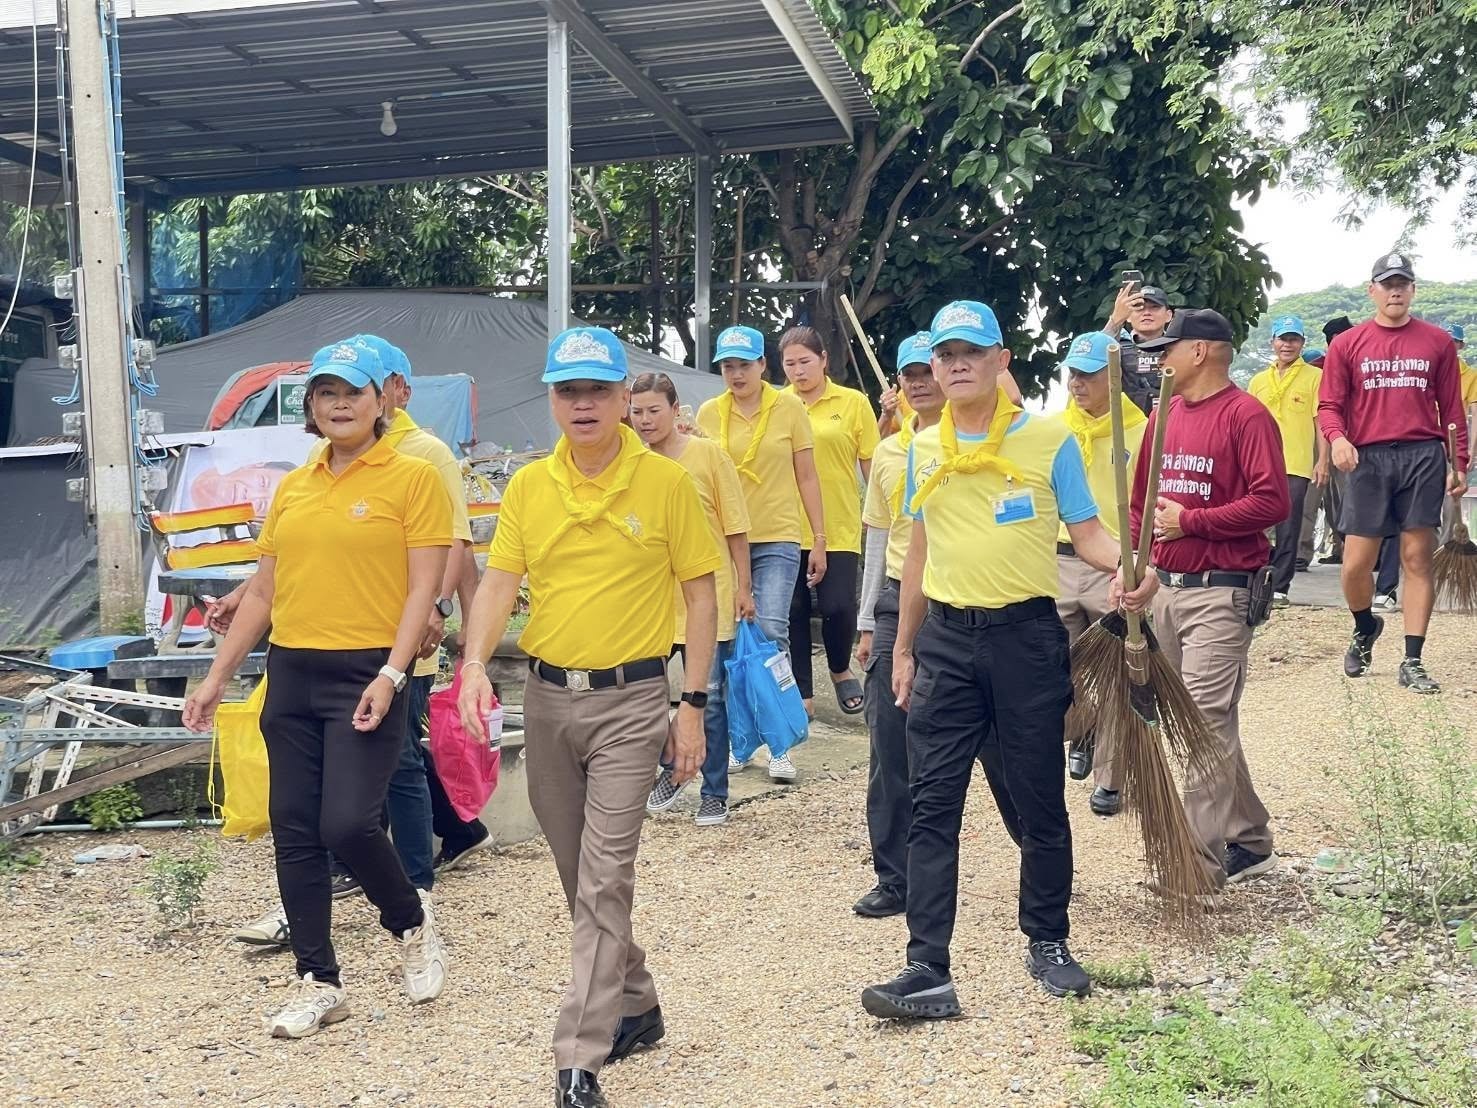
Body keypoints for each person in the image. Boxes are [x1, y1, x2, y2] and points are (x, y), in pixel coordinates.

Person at [862, 300, 1155, 1019]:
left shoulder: (1047, 439)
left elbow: (1088, 533)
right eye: (945, 354)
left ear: (1001, 362)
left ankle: (1048, 939)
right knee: (932, 805)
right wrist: (904, 648)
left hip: (1025, 639)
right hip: (945, 643)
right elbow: (919, 549)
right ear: (933, 368)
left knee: (1037, 798)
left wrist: (1133, 571)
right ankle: (926, 967)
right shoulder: (922, 447)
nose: (957, 364)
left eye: (972, 352)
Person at [457, 327, 719, 1108]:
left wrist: (691, 705)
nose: (582, 404)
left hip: (632, 704)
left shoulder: (666, 484)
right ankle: (636, 999)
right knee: (580, 876)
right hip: (546, 702)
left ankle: (578, 1058)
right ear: (552, 399)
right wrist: (472, 664)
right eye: (568, 391)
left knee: (605, 879)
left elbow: (700, 595)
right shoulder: (531, 486)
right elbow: (499, 581)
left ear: (622, 399)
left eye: (597, 390)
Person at [182, 340, 452, 1038]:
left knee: (349, 825)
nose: (339, 404)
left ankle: (410, 921)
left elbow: (423, 588)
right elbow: (264, 592)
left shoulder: (413, 477)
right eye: (325, 392)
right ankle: (319, 982)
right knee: (295, 832)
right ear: (310, 405)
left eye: (352, 392)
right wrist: (216, 678)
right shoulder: (295, 485)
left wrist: (393, 673)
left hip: (368, 672)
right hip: (293, 672)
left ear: (379, 401)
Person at [1126, 309, 1291, 897]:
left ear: (1199, 351)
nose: (1157, 359)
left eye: (1167, 349)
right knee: (1202, 720)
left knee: (1204, 721)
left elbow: (1273, 503)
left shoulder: (1247, 415)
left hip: (1223, 591)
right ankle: (1250, 837)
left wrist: (1192, 521)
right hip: (1167, 591)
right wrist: (1134, 564)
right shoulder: (1162, 415)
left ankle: (1196, 867)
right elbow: (1140, 502)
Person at [1318, 254, 1469, 693]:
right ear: (1373, 291)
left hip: (1422, 455)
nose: (1396, 291)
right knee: (1355, 565)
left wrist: (1459, 463)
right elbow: (1329, 404)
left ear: (1413, 290)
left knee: (1417, 557)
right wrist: (1337, 438)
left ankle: (1413, 659)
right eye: (1388, 284)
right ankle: (1365, 625)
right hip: (1368, 458)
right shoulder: (1349, 344)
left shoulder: (1437, 342)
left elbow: (1452, 410)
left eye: (1403, 283)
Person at [696, 325, 826, 783]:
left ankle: (780, 743)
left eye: (744, 365)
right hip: (723, 539)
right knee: (730, 639)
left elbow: (806, 475)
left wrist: (819, 538)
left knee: (770, 631)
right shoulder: (709, 413)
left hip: (777, 535)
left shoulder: (789, 407)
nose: (736, 374)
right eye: (728, 366)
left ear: (762, 365)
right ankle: (740, 739)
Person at [631, 371, 753, 827]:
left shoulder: (707, 454)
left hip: (707, 596)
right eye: (637, 412)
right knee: (643, 695)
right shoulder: (632, 462)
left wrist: (744, 586)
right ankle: (672, 767)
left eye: (653, 410)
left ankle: (714, 791)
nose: (645, 420)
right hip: (652, 602)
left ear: (674, 408)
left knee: (709, 698)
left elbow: (735, 525)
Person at [852, 332, 945, 918]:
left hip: (960, 600)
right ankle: (895, 878)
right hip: (893, 602)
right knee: (889, 740)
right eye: (909, 374)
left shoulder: (976, 442)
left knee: (998, 748)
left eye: (926, 371)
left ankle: (1037, 859)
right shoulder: (889, 452)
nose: (918, 383)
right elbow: (878, 539)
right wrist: (867, 623)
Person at [1053, 331, 1148, 818]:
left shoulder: (1142, 431)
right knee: (1058, 669)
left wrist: (1133, 568)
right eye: (1073, 374)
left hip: (1112, 565)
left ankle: (1110, 778)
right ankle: (1083, 727)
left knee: (1114, 673)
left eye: (1088, 375)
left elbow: (1148, 507)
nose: (1077, 383)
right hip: (1056, 561)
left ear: (1114, 379)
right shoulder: (1052, 431)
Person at [779, 325, 881, 717]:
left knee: (838, 606)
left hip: (837, 524)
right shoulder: (776, 405)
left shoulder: (853, 403)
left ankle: (839, 668)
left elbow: (872, 464)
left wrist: (881, 511)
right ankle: (801, 691)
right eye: (790, 364)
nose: (798, 371)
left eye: (805, 361)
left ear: (823, 359)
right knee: (792, 609)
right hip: (785, 524)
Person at [1248, 316, 1330, 606]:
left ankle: (1280, 585)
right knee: (1253, 523)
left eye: (1294, 339)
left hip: (1296, 463)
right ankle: (1253, 577)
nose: (1288, 345)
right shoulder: (1258, 381)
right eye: (1283, 339)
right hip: (1258, 463)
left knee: (1289, 525)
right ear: (1272, 342)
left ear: (1302, 343)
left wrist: (1323, 460)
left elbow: (1321, 420)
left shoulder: (1315, 377)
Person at [1103, 280, 1174, 415]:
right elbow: (1092, 359)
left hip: (1173, 421)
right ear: (1128, 316)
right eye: (1139, 308)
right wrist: (1116, 319)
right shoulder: (1115, 347)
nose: (1146, 312)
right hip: (1127, 423)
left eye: (1154, 307)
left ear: (1168, 315)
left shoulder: (1179, 348)